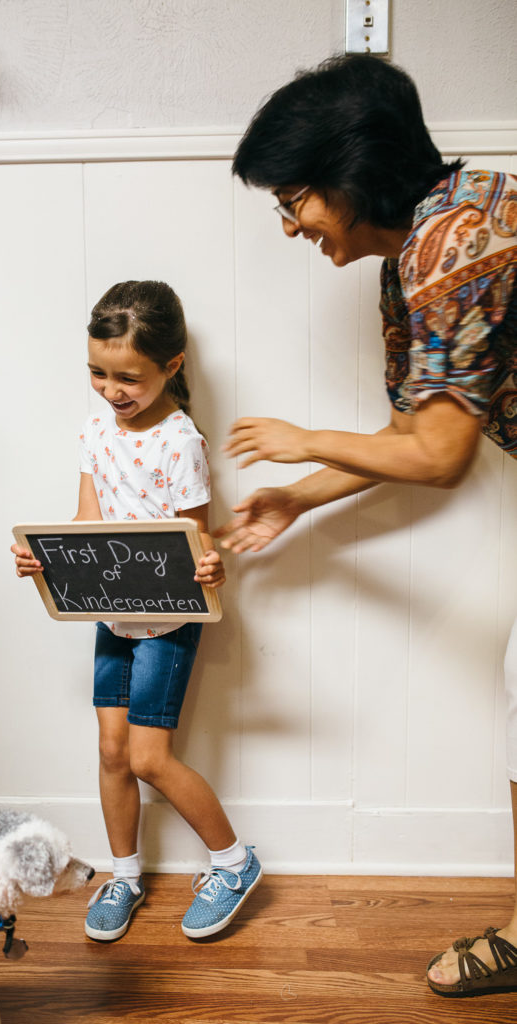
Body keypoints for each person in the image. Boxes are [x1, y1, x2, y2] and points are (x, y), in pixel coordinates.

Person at [216, 54, 517, 996]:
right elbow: (404, 435)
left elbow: (438, 457)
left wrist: (303, 436)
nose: (288, 223)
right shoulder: (413, 254)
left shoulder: (457, 236)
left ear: (353, 173)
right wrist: (297, 496)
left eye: (295, 197)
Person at [12, 280, 262, 942]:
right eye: (97, 371)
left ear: (171, 366)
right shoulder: (94, 431)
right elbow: (86, 524)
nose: (110, 388)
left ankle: (234, 863)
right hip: (111, 615)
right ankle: (124, 873)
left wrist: (210, 564)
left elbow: (195, 539)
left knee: (150, 757)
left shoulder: (181, 441)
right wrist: (46, 558)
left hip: (168, 622)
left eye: (128, 376)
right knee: (112, 750)